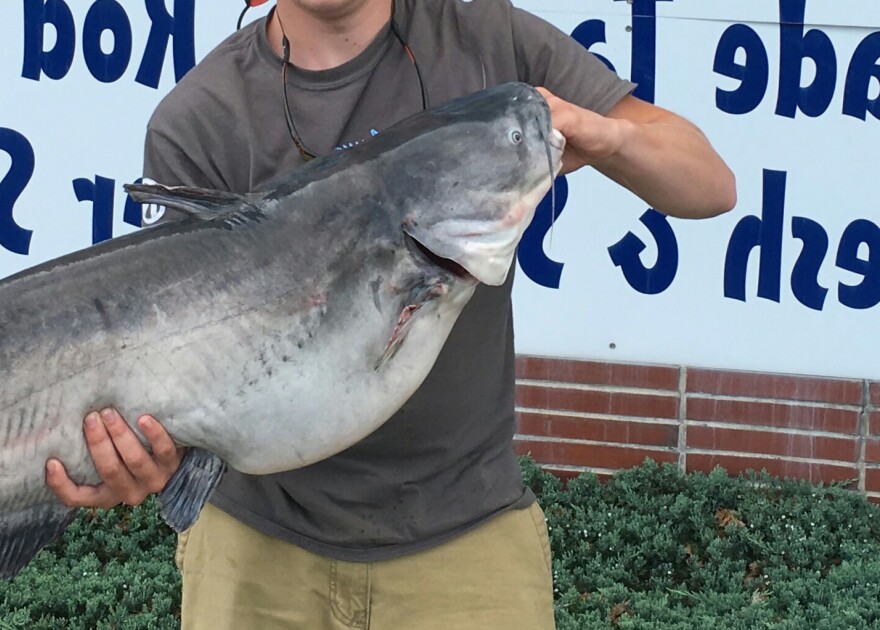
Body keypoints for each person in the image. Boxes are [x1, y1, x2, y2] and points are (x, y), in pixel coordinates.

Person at [44, 0, 736, 627]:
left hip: (466, 543)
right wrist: (140, 453)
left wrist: (609, 137)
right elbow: (174, 351)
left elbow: (710, 184)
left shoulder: (489, 42)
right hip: (254, 551)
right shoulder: (201, 115)